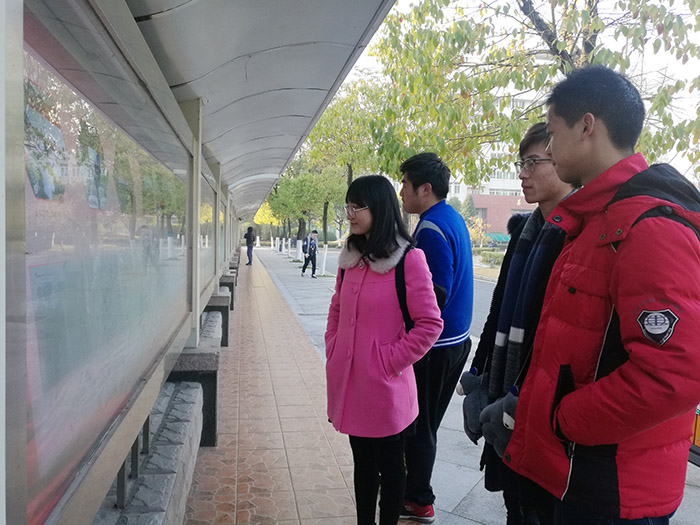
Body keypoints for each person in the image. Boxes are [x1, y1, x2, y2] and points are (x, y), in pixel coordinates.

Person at [492, 65, 700, 524]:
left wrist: (562, 418)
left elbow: (673, 375)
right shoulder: (595, 220)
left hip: (614, 489)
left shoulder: (649, 227)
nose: (548, 149)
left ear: (586, 126)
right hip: (576, 472)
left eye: (552, 134)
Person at [458, 122, 575, 524]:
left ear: (563, 159)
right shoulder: (524, 231)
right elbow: (497, 311)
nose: (523, 173)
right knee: (515, 502)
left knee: (536, 508)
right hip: (504, 391)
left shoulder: (576, 235)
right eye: (520, 163)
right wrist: (478, 374)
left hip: (543, 404)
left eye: (532, 163)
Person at [325, 175, 443, 525]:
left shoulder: (408, 259)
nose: (350, 214)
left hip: (386, 389)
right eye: (348, 206)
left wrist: (388, 361)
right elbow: (337, 308)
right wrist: (333, 345)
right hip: (351, 383)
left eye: (357, 207)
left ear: (380, 208)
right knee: (362, 463)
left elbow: (430, 324)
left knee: (391, 468)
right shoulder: (350, 258)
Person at [398, 152, 473, 522]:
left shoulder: (430, 229)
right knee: (427, 422)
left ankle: (419, 499)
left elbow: (434, 294)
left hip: (436, 347)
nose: (401, 192)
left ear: (424, 189)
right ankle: (413, 490)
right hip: (456, 341)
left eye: (405, 185)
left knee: (420, 424)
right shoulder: (451, 217)